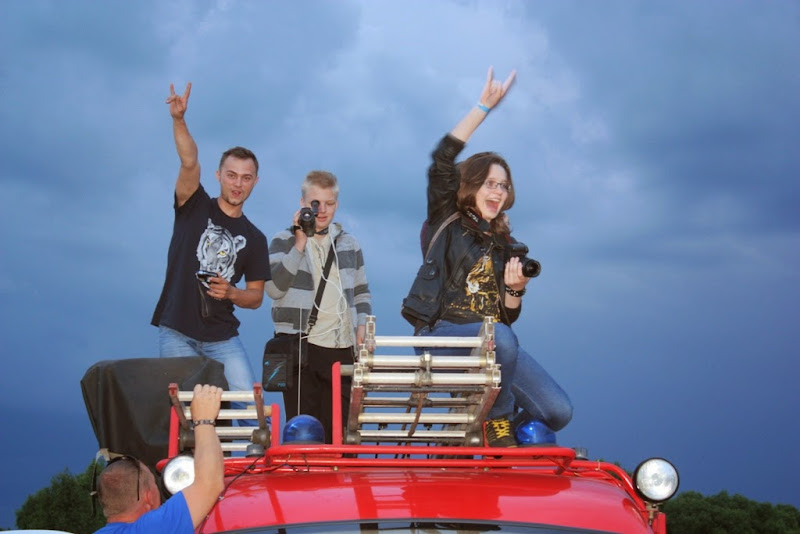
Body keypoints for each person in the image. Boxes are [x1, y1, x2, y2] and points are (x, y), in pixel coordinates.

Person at [401, 67, 572, 447]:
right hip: (442, 335)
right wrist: (483, 107)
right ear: (472, 184)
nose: (498, 192)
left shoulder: (507, 244)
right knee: (502, 339)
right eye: (490, 183)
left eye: (504, 186)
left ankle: (482, 428)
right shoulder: (447, 216)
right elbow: (442, 158)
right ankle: (497, 422)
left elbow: (506, 316)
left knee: (557, 411)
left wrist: (516, 290)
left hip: (493, 345)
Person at [151, 83, 270, 423]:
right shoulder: (194, 205)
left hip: (223, 338)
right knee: (182, 418)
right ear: (219, 176)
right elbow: (189, 161)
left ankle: (251, 459)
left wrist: (232, 292)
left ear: (255, 182)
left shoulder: (255, 239)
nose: (237, 183)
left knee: (251, 411)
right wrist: (178, 120)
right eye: (231, 175)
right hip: (177, 330)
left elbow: (256, 297)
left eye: (246, 178)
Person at [266, 171, 372, 443]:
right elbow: (274, 288)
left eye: (329, 203)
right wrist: (300, 244)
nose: (322, 210)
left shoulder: (349, 243)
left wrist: (362, 324)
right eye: (315, 203)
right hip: (301, 346)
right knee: (303, 434)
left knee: (341, 433)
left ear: (337, 204)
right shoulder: (282, 240)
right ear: (303, 203)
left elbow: (361, 290)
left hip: (342, 347)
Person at [94, 384, 224, 533]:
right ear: (148, 498)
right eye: (155, 484)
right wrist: (204, 420)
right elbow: (210, 483)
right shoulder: (152, 528)